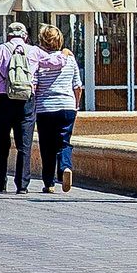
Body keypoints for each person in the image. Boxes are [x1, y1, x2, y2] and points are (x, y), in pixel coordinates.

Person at [0, 22, 41, 194]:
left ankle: (0, 182)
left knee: (1, 142)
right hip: (26, 101)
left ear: (9, 35)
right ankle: (22, 185)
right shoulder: (34, 51)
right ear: (25, 36)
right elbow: (52, 64)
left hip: (3, 100)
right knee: (24, 144)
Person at [33, 25, 82, 194]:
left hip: (45, 107)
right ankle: (65, 167)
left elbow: (35, 85)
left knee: (46, 146)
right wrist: (76, 105)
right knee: (64, 142)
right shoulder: (70, 59)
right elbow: (78, 86)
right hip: (67, 106)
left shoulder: (39, 61)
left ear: (42, 41)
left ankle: (49, 183)